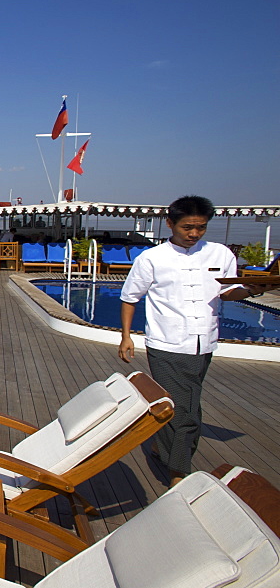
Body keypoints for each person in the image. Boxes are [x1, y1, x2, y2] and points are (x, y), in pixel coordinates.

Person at [118, 195, 280, 487]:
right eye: (187, 227)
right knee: (187, 411)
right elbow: (130, 298)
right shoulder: (152, 259)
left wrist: (253, 290)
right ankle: (178, 470)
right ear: (170, 224)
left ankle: (159, 444)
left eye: (201, 228)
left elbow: (227, 293)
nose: (194, 234)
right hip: (166, 344)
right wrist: (126, 337)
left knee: (181, 402)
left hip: (204, 344)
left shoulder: (220, 254)